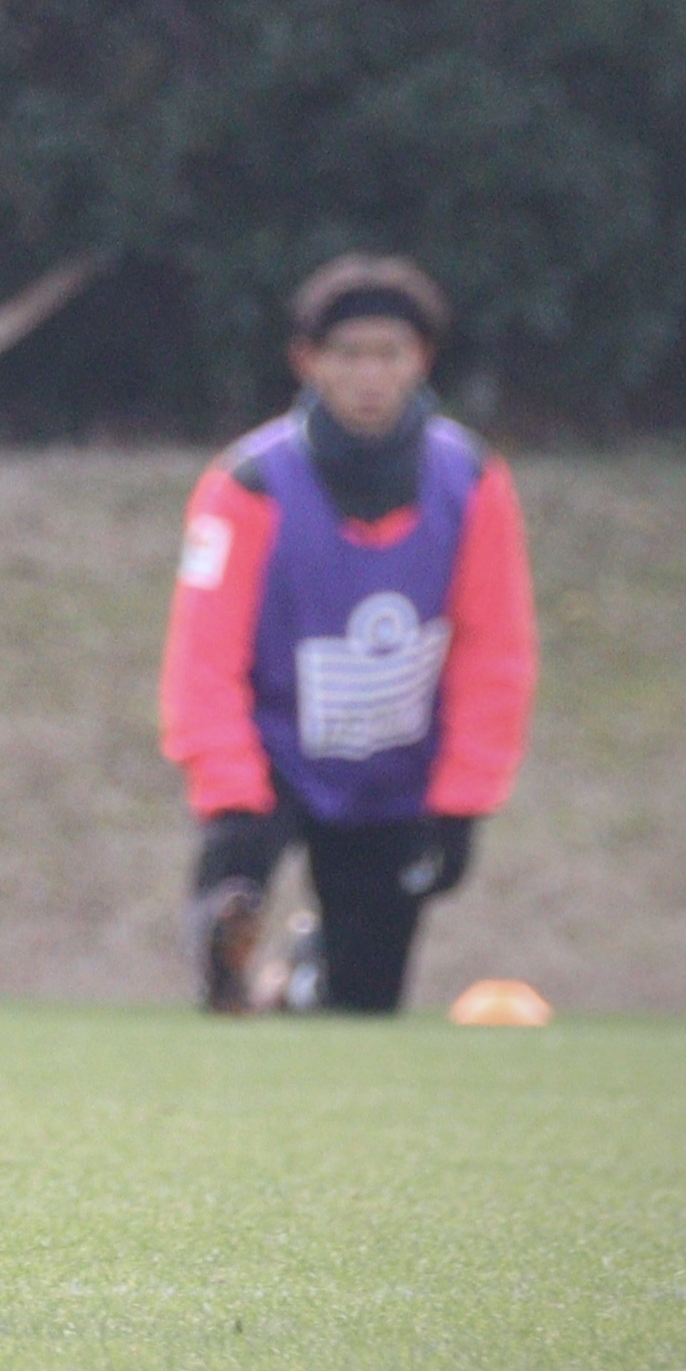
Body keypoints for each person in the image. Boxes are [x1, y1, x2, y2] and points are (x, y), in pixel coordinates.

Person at [159, 255, 538, 1016]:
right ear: (307, 362)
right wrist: (231, 792)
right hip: (271, 755)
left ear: (421, 360)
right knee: (233, 901)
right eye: (348, 354)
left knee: (363, 1007)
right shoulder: (245, 486)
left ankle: (300, 978)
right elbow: (203, 656)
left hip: (393, 769)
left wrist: (462, 800)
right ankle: (231, 946)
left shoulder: (471, 481)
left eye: (389, 354)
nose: (369, 375)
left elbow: (493, 649)